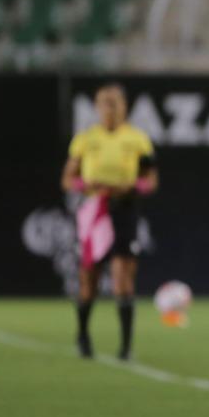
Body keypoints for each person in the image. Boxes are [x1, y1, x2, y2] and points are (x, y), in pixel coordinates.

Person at [61, 84, 157, 360]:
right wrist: (86, 185)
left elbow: (151, 179)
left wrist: (133, 187)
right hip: (95, 211)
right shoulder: (86, 139)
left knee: (123, 276)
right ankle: (83, 335)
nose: (110, 108)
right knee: (89, 276)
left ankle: (126, 347)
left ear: (124, 107)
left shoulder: (137, 139)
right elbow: (67, 179)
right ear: (97, 107)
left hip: (124, 208)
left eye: (115, 103)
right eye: (105, 103)